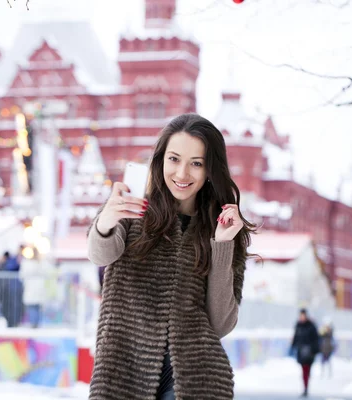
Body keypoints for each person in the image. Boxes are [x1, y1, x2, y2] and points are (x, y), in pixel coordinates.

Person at [86, 113, 255, 399]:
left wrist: (222, 245)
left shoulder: (224, 228)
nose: (182, 174)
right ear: (161, 159)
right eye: (174, 159)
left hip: (197, 377)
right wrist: (106, 220)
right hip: (124, 371)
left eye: (196, 164)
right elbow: (101, 255)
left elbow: (220, 323)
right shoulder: (131, 206)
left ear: (210, 169)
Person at [290, 309, 320, 397]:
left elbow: (316, 339)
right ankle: (305, 387)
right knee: (304, 370)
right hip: (301, 351)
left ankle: (306, 385)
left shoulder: (311, 326)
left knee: (307, 369)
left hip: (309, 352)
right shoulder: (298, 325)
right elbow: (296, 337)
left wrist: (314, 350)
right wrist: (292, 347)